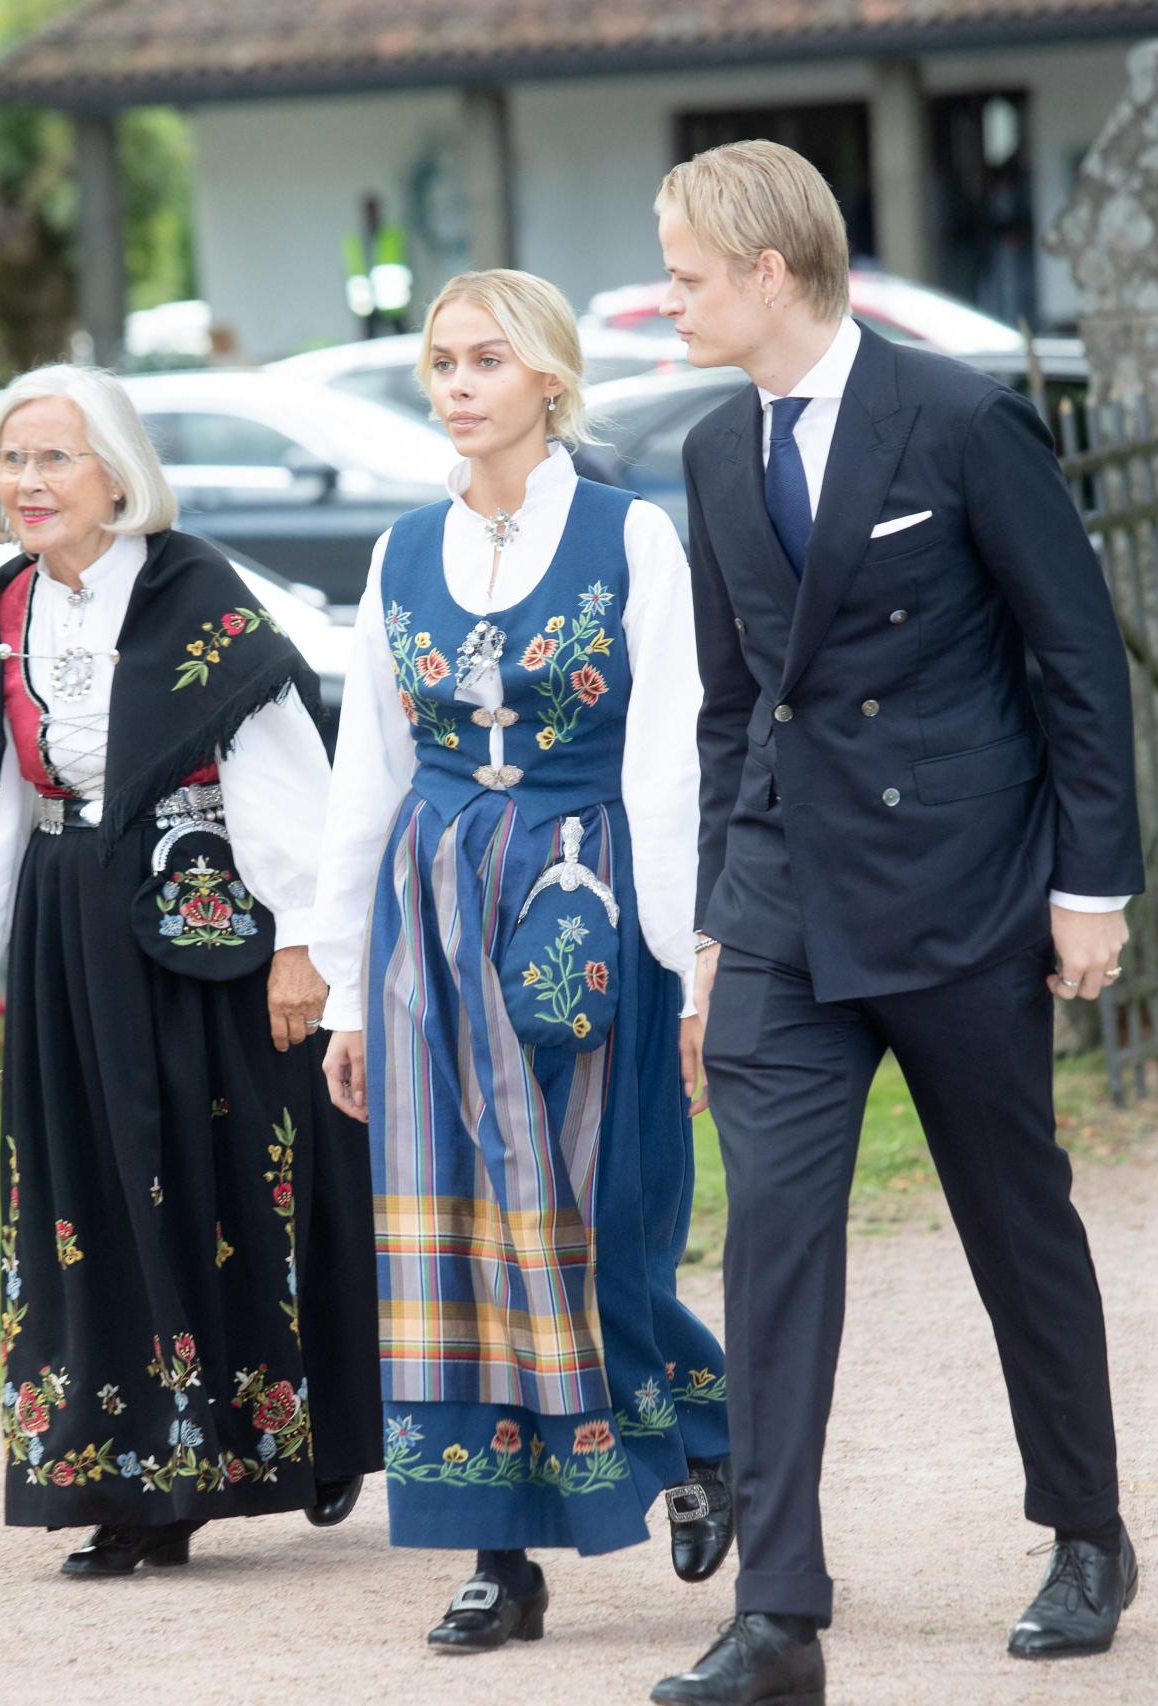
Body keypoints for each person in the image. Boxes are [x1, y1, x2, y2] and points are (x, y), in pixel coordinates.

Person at [648, 141, 1143, 1706]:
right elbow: (736, 715)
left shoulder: (959, 415)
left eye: (684, 272)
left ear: (770, 273)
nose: (666, 299)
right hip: (788, 909)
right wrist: (723, 922)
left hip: (962, 893)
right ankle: (780, 1616)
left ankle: (1085, 1529)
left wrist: (1090, 888)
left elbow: (1077, 660)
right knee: (777, 1243)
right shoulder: (715, 456)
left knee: (1015, 1221)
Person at [310, 269, 732, 1652]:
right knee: (453, 1230)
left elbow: (670, 759)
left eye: (488, 358)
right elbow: (365, 767)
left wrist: (687, 958)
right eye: (441, 362)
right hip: (432, 911)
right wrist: (341, 972)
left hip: (585, 902)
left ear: (551, 374)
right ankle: (495, 1549)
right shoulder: (398, 554)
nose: (458, 384)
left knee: (594, 1218)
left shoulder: (631, 540)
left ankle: (702, 1432)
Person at [0, 365, 382, 1575]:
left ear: (119, 474)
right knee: (98, 1197)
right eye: (12, 460)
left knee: (246, 1177)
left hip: (211, 928)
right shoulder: (11, 602)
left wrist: (303, 944)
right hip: (72, 932)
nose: (27, 481)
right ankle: (137, 1478)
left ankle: (307, 1433)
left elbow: (287, 771)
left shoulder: (195, 590)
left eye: (54, 457)